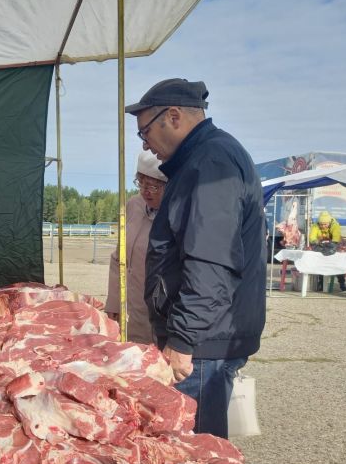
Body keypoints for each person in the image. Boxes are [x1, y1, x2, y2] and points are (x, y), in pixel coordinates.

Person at [125, 78, 266, 439]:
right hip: (205, 339)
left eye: (145, 133)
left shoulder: (210, 163)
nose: (146, 145)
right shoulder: (202, 159)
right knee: (191, 451)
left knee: (193, 457)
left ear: (173, 116)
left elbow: (211, 262)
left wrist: (183, 340)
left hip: (203, 345)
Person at [105, 150, 166, 343]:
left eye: (154, 186)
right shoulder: (133, 205)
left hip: (161, 313)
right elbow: (119, 259)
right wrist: (114, 301)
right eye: (141, 183)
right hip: (131, 310)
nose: (145, 191)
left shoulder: (179, 211)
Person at [309, 210, 346, 291]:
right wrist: (317, 243)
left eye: (325, 224)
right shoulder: (315, 225)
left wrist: (331, 246)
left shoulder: (335, 225)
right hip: (322, 246)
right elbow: (312, 237)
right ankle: (321, 283)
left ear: (329, 223)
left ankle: (342, 283)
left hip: (334, 246)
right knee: (320, 263)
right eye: (321, 224)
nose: (323, 226)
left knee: (338, 264)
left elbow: (336, 239)